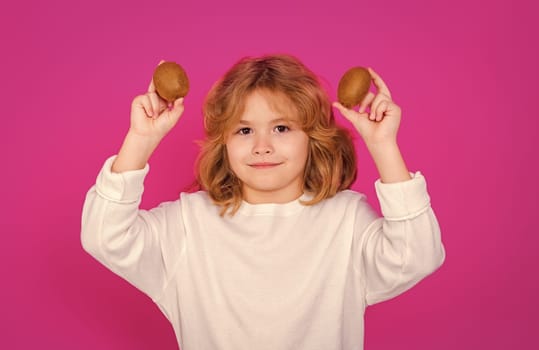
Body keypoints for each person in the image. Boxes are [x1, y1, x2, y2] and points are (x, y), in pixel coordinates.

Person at [81, 54, 445, 350]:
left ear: (311, 138)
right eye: (244, 130)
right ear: (223, 143)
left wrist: (383, 145)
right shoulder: (188, 224)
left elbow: (417, 255)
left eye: (282, 128)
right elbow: (104, 236)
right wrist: (140, 140)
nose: (262, 146)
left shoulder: (345, 218)